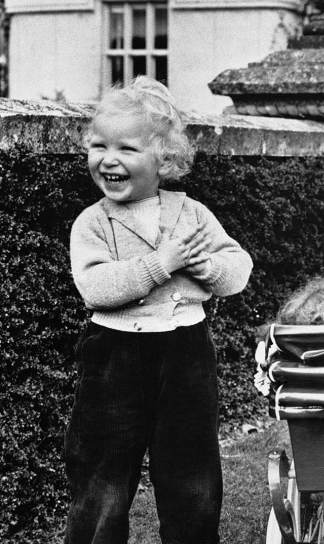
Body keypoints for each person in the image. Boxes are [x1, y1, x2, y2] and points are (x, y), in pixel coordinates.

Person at [65, 76, 253, 544]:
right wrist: (161, 263)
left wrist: (204, 266)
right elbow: (95, 287)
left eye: (126, 148)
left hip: (186, 354)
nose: (108, 159)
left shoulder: (192, 214)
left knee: (191, 475)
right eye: (98, 145)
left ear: (163, 158)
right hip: (114, 357)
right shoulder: (93, 222)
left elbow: (238, 271)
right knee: (102, 475)